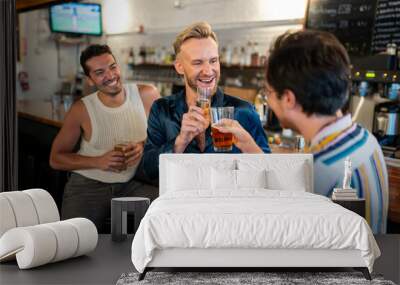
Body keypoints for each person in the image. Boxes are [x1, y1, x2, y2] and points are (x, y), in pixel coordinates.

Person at [216, 30, 388, 234]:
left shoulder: (318, 170)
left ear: (288, 99)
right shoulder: (364, 138)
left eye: (267, 93)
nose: (267, 100)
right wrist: (252, 148)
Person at [50, 44, 160, 233]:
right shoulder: (81, 109)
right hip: (87, 187)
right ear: (90, 80)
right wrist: (98, 161)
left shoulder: (147, 95)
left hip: (131, 184)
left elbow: (167, 138)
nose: (110, 76)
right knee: (72, 240)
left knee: (170, 208)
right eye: (100, 72)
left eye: (112, 67)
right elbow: (56, 159)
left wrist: (143, 146)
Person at [143, 22, 270, 179]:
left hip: (228, 200)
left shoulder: (243, 110)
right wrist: (180, 142)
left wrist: (248, 145)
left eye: (213, 61)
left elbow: (269, 172)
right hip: (181, 202)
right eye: (198, 62)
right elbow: (148, 171)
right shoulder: (162, 109)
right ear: (179, 67)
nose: (209, 71)